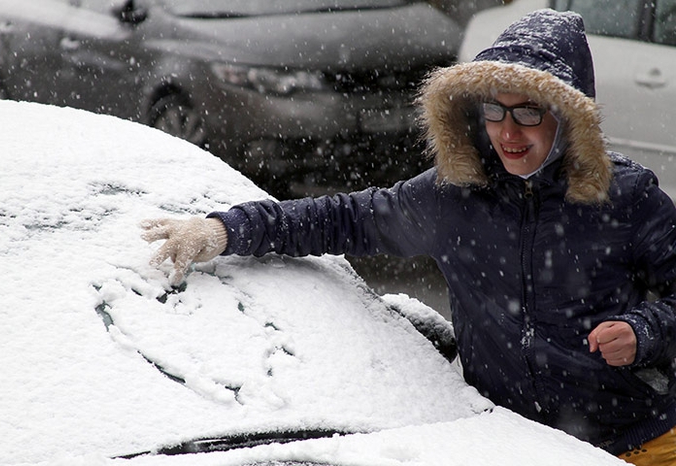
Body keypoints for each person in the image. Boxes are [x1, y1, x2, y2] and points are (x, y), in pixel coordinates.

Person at [140, 9, 676, 464]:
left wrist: (644, 329)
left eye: (529, 112)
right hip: (515, 444)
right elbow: (341, 217)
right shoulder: (456, 196)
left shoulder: (623, 197)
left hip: (637, 441)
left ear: (568, 115)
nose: (508, 132)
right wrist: (226, 229)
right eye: (495, 110)